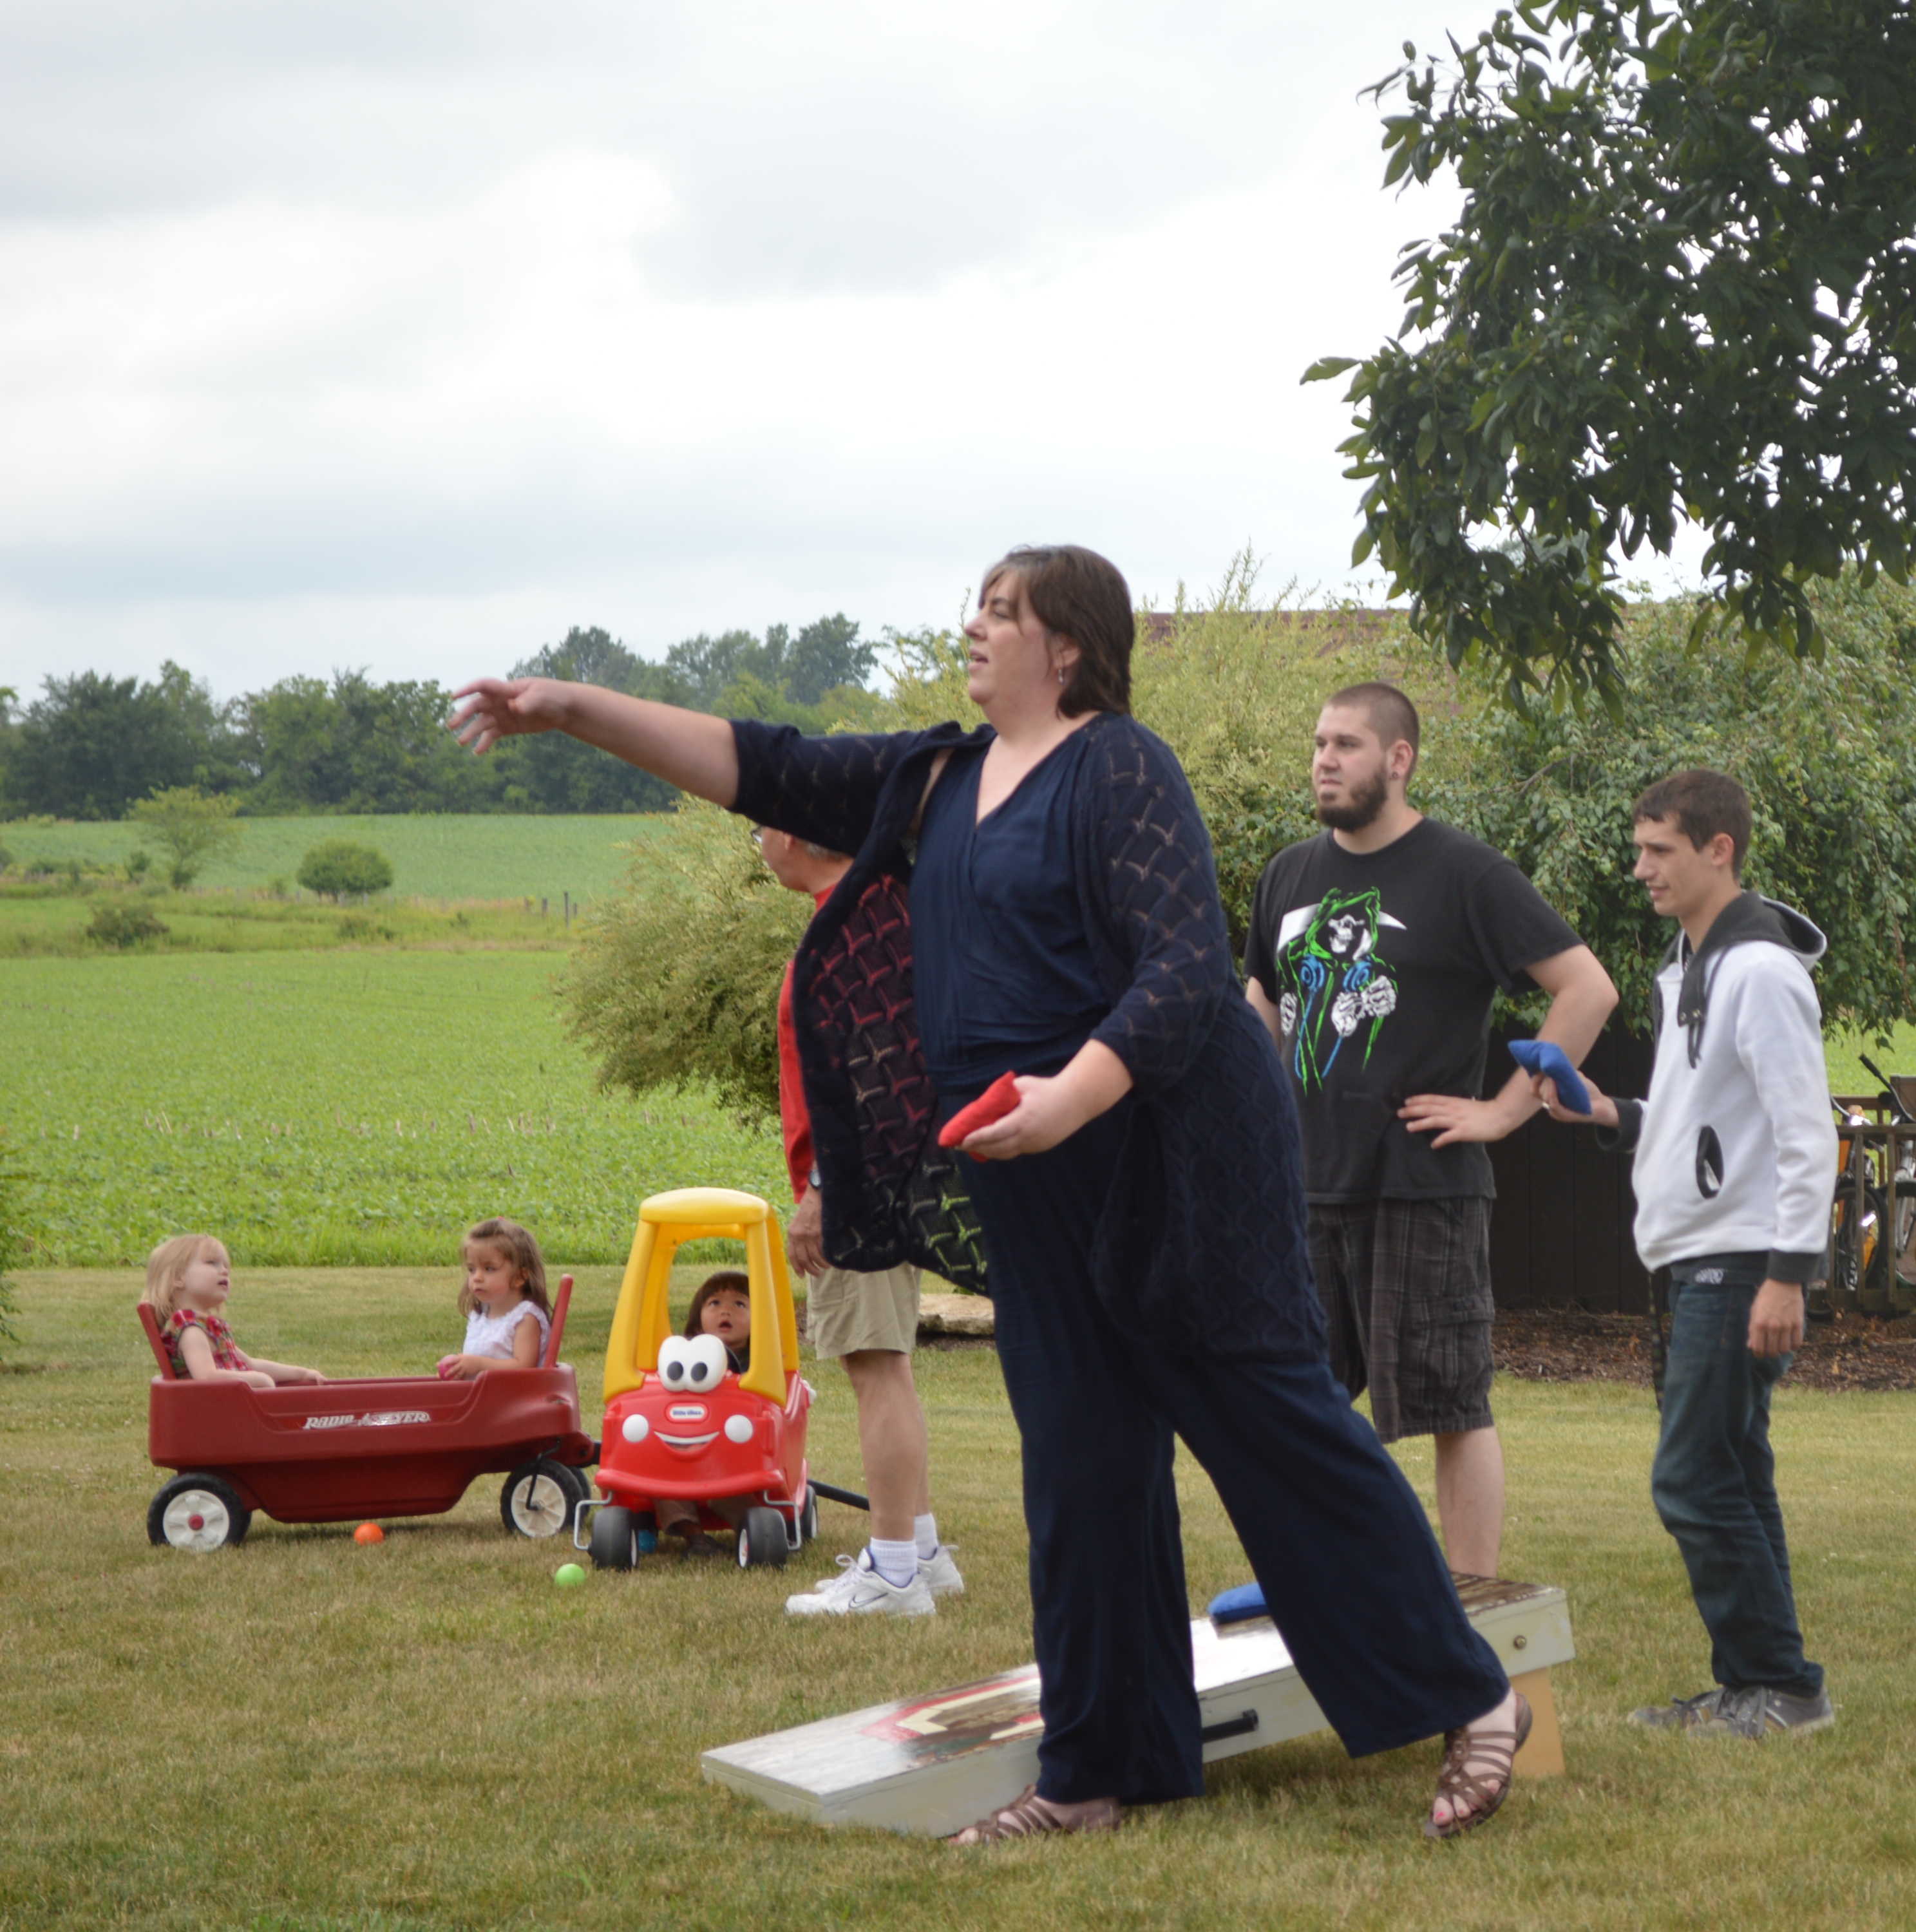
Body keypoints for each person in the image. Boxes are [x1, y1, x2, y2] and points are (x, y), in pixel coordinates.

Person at [448, 543, 1526, 1845]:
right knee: (1080, 1462)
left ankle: (1473, 1694)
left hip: (1171, 1145)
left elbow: (1185, 971)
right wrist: (571, 708)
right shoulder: (940, 778)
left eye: (1001, 611)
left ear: (1066, 645)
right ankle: (1097, 1772)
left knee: (1272, 1430)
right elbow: (762, 762)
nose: (973, 626)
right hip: (1027, 1160)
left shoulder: (1119, 766)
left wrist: (1071, 1095)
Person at [1243, 682, 1617, 1578]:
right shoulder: (1288, 874)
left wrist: (1503, 1110)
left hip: (1420, 1186)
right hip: (1301, 1189)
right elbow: (1259, 1006)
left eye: (1346, 745)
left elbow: (1587, 988)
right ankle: (1321, 1590)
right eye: (1319, 744)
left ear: (1399, 759)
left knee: (1452, 1406)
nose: (1324, 760)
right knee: (1292, 1406)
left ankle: (1471, 1601)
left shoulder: (1464, 873)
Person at [1537, 769, 1834, 1740]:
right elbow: (1700, 1116)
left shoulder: (1761, 973)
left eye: (1659, 850)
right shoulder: (1690, 971)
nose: (1641, 869)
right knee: (1734, 1472)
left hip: (1738, 1265)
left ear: (1720, 850)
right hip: (1701, 1262)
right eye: (1639, 849)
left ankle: (1775, 1685)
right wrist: (1608, 1111)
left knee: (1692, 1478)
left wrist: (1788, 1275)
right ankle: (1773, 1687)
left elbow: (1807, 1133)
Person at [756, 823, 962, 1616]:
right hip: (872, 1183)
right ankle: (924, 1553)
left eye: (758, 828)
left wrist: (822, 1189)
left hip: (857, 1188)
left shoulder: (852, 925)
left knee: (874, 1367)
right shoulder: (861, 913)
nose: (757, 843)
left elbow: (870, 1078)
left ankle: (895, 1575)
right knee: (886, 1365)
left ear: (792, 835)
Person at [656, 1270, 773, 1553]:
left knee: (731, 1491)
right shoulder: (681, 1361)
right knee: (661, 1482)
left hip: (735, 1457)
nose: (726, 1311)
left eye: (739, 1304)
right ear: (698, 1321)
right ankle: (696, 1538)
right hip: (685, 1449)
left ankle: (756, 1530)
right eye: (715, 1304)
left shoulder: (759, 1363)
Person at [144, 1233, 324, 1388]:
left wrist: (301, 1373)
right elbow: (205, 1377)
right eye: (211, 1263)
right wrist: (259, 1380)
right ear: (178, 1278)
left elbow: (251, 1364)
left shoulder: (206, 1327)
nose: (224, 1271)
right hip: (216, 1411)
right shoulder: (191, 1330)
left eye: (225, 1266)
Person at [436, 1215, 551, 1379]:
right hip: (483, 1394)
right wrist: (459, 1370)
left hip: (515, 1395)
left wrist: (479, 1365)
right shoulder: (480, 1316)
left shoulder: (526, 1318)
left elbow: (524, 1368)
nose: (477, 1277)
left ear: (520, 1277)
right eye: (472, 1269)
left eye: (489, 1269)